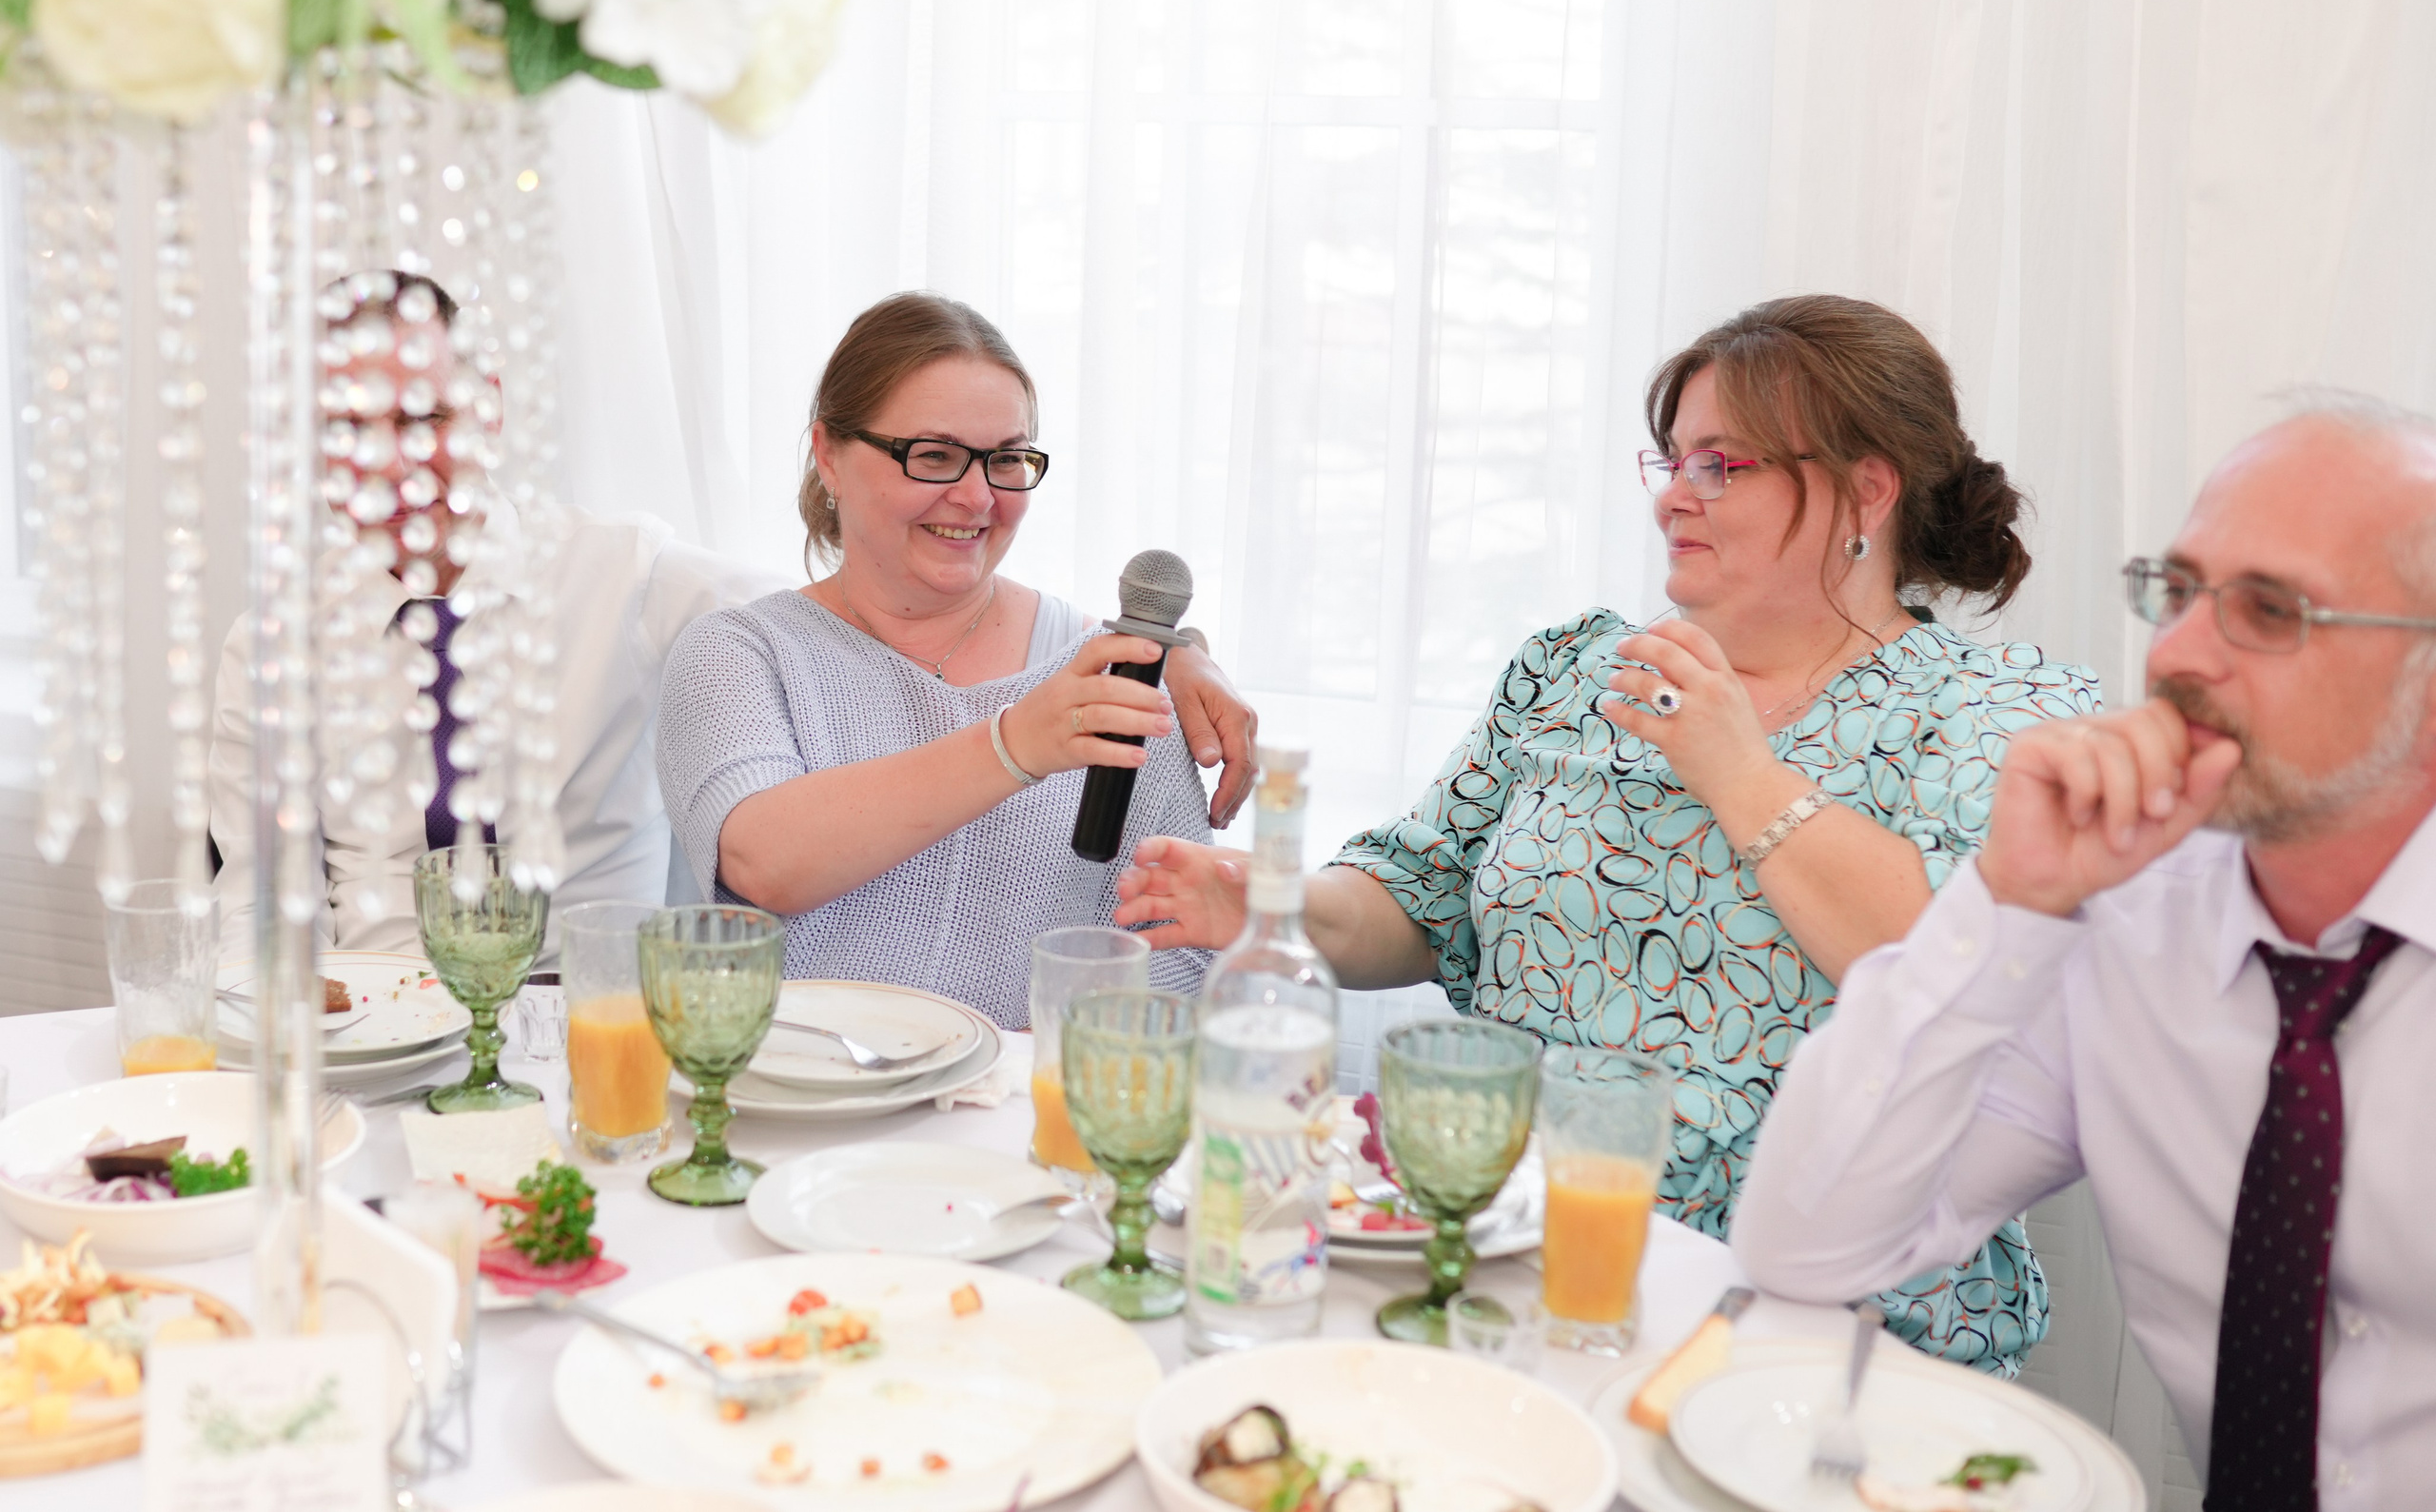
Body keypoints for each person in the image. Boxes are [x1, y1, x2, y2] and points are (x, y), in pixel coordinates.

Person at [1115, 294, 2102, 1374]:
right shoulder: (1575, 667)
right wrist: (1272, 905)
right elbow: (1418, 892)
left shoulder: (1997, 713)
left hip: (1821, 1321)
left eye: (1722, 465)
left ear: (1867, 489)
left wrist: (1739, 769)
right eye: (1671, 461)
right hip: (1514, 1253)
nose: (1677, 496)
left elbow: (1947, 974)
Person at [1733, 394, 2436, 1504]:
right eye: (2180, 590)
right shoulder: (2128, 916)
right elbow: (1807, 1247)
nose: (2179, 653)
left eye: (2268, 608)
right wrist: (2004, 900)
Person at [209, 272, 1258, 968]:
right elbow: (247, 918)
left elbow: (882, 598)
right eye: (351, 428)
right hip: (365, 1044)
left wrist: (1172, 653)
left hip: (582, 1038)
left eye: (424, 418)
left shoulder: (627, 576)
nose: (395, 460)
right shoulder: (267, 651)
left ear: (485, 404)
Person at [656, 292, 1247, 1028]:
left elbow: (1177, 951)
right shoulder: (739, 654)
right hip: (803, 1118)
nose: (976, 496)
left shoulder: (1111, 674)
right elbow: (762, 859)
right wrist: (1012, 743)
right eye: (932, 455)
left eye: (1006, 460)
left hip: (1030, 1120)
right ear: (829, 455)